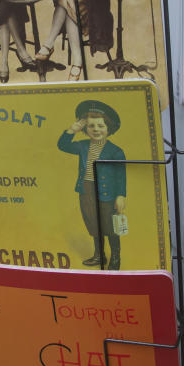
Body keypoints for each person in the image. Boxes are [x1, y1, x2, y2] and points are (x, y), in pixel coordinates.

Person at [57, 100, 126, 269]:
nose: (96, 130)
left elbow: (120, 175)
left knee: (109, 225)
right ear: (85, 129)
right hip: (86, 189)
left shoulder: (116, 151)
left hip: (107, 193)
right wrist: (73, 129)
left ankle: (115, 257)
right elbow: (62, 145)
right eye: (91, 126)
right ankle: (99, 255)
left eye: (100, 126)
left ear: (108, 128)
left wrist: (120, 195)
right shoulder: (82, 146)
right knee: (93, 223)